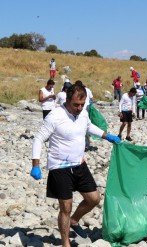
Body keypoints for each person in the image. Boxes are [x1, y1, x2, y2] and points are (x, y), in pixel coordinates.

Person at [30, 83, 120, 247]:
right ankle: (65, 243)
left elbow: (88, 126)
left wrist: (107, 136)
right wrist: (35, 164)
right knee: (66, 206)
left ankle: (74, 220)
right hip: (60, 167)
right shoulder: (55, 115)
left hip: (79, 164)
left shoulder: (83, 113)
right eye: (76, 104)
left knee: (94, 199)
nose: (79, 108)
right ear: (67, 100)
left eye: (82, 104)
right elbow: (38, 139)